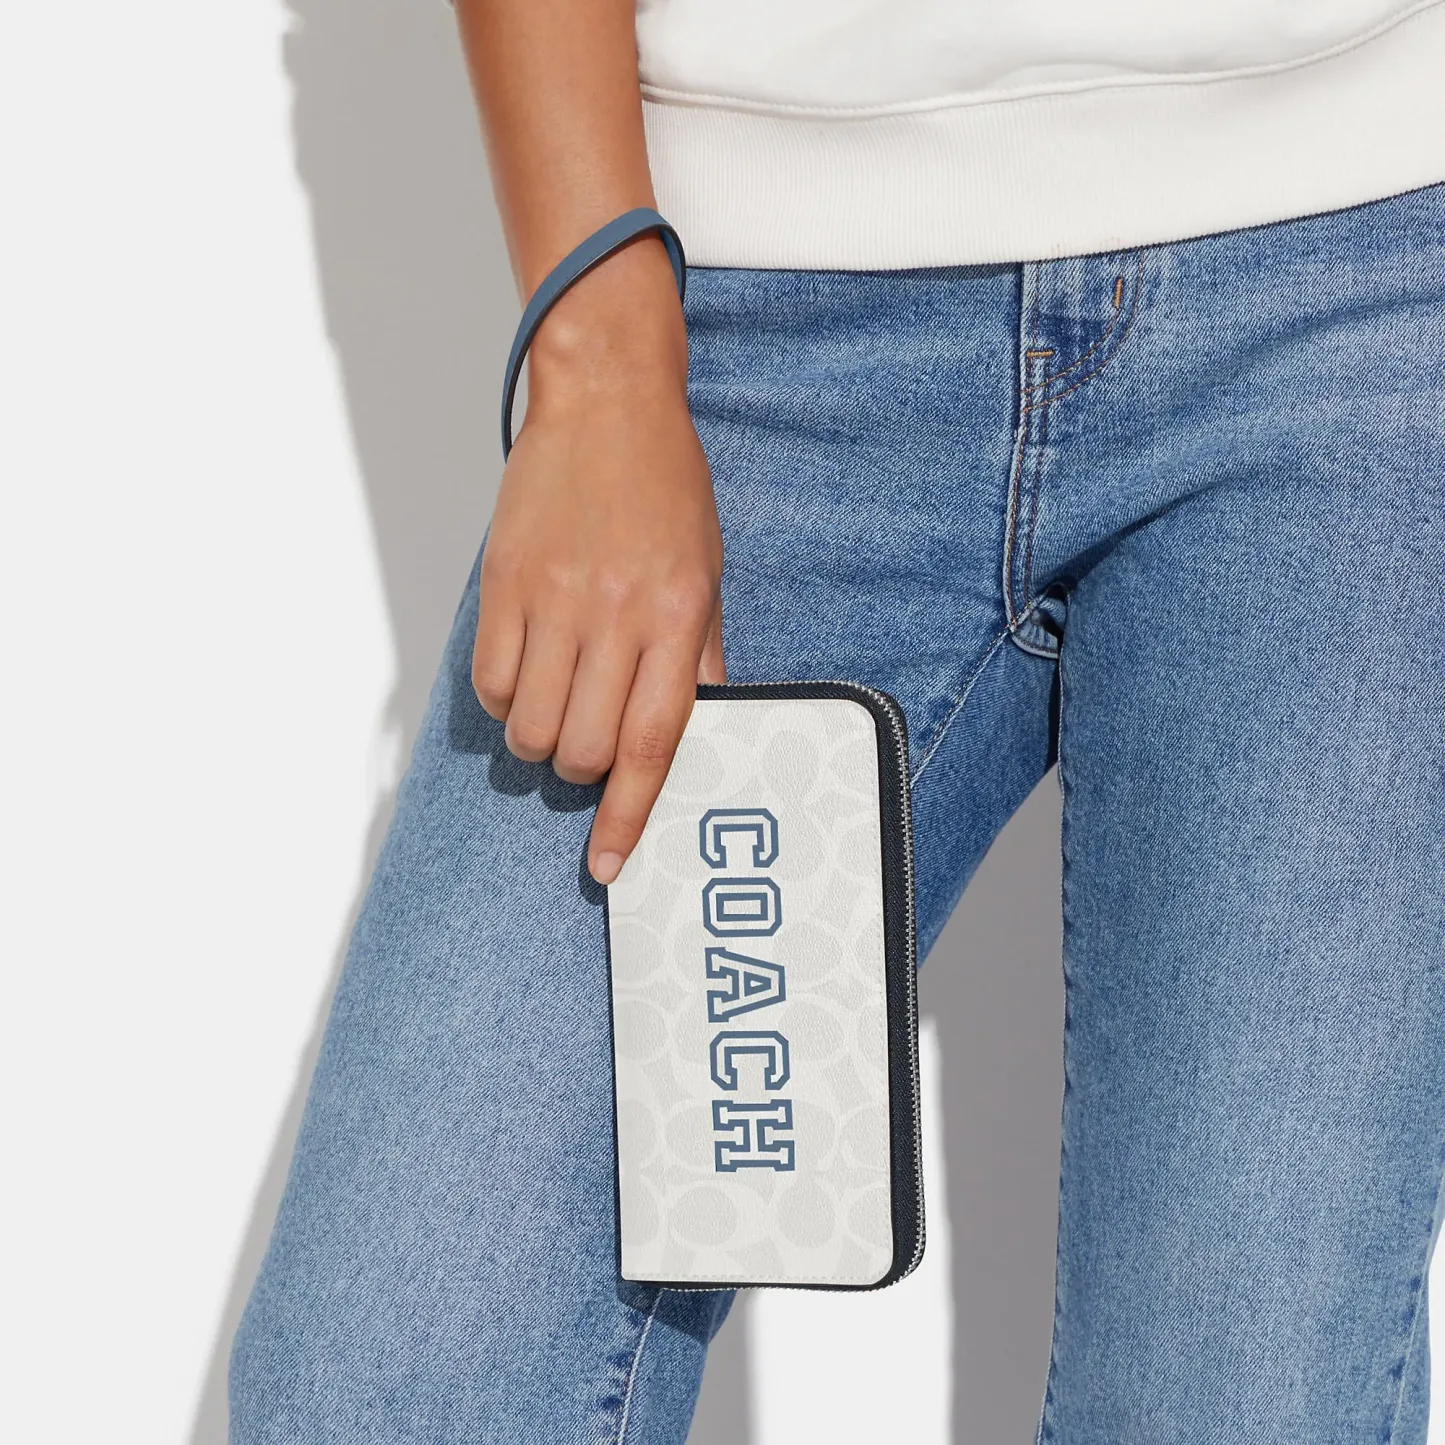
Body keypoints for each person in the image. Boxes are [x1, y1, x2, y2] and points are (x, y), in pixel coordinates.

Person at [228, 0, 1445, 1439]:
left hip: (1362, 273)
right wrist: (600, 359)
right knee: (398, 1382)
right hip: (745, 305)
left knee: (1241, 1404)